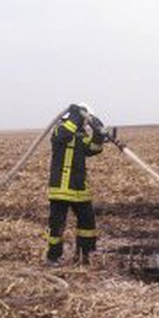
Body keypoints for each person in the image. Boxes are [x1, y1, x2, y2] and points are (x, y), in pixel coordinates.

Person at [45, 103, 106, 266]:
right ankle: (53, 257)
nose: (85, 123)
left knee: (87, 223)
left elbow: (93, 149)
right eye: (84, 120)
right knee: (57, 225)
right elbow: (63, 136)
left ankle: (85, 255)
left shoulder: (81, 134)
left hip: (79, 189)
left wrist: (99, 133)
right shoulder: (60, 130)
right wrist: (76, 116)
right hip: (61, 189)